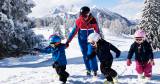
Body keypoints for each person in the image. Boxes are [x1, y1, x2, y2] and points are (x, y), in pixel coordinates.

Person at [66, 6, 99, 76]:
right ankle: (88, 69)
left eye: (86, 15)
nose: (84, 17)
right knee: (85, 55)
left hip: (91, 40)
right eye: (82, 15)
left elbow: (97, 31)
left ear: (89, 14)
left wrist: (98, 39)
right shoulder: (79, 21)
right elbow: (73, 32)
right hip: (82, 41)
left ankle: (94, 70)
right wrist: (68, 41)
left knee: (91, 54)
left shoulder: (93, 20)